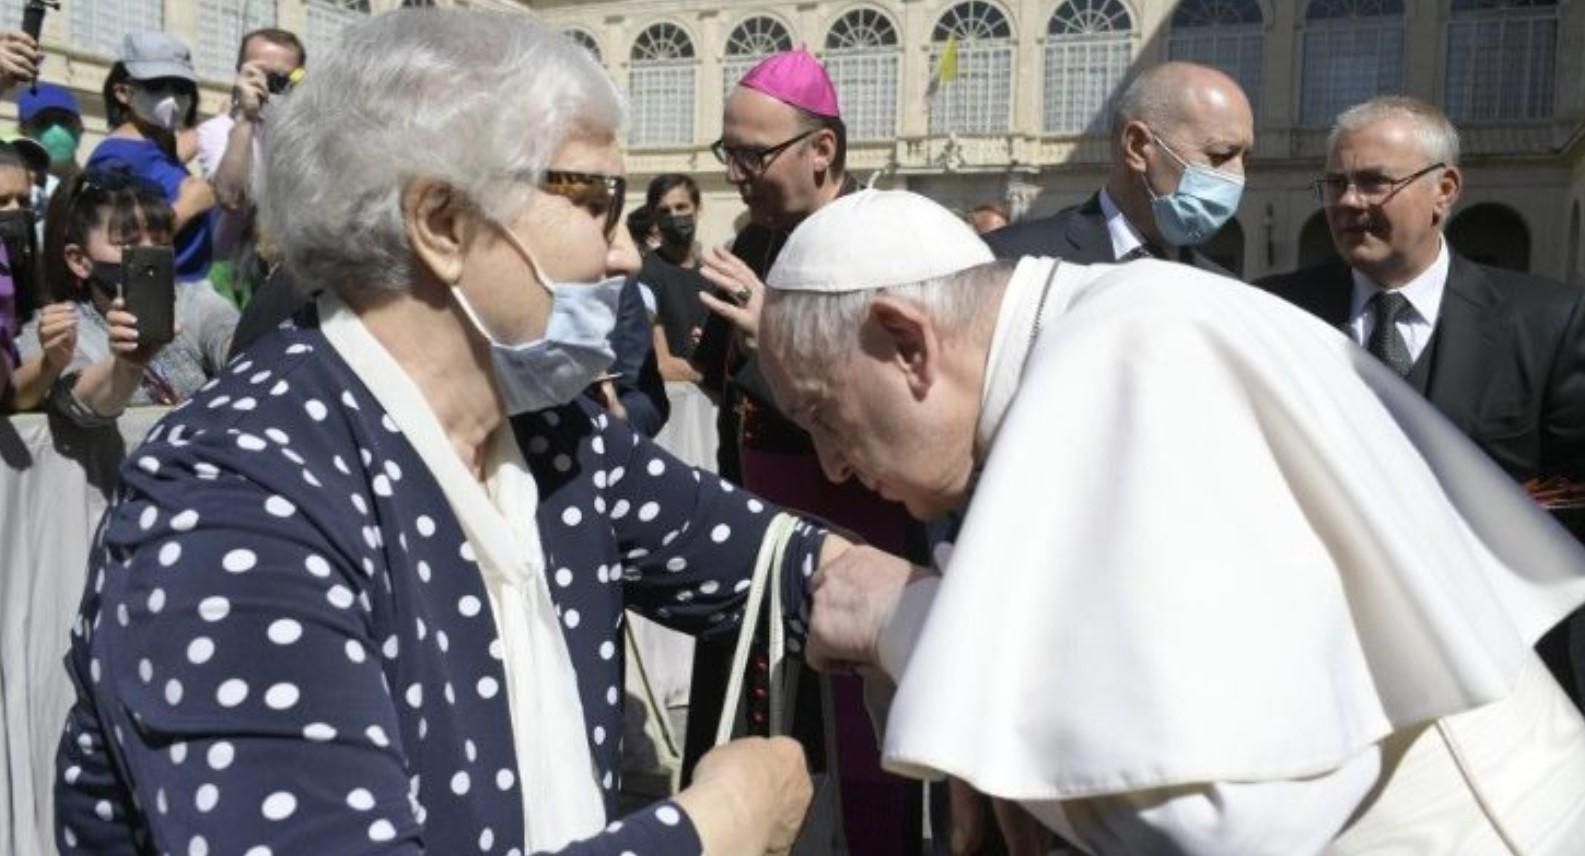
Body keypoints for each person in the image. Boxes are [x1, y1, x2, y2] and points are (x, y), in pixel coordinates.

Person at [52, 12, 868, 854]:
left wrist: (946, 623)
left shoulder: (554, 436)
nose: (626, 256)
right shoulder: (232, 496)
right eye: (598, 201)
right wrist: (712, 829)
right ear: (442, 223)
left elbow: (790, 565)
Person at [760, 189, 1585, 854]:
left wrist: (901, 620)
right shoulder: (1106, 328)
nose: (833, 465)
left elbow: (1213, 815)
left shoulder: (1127, 361)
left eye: (824, 414)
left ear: (905, 341)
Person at [686, 48, 924, 854]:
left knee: (850, 750)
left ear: (821, 150)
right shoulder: (752, 240)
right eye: (730, 153)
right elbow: (726, 386)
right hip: (755, 528)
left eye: (754, 154)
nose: (737, 173)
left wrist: (775, 336)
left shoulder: (882, 240)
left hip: (852, 523)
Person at [1257, 97, 1584, 486]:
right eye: (1335, 183)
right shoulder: (1273, 311)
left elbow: (1568, 502)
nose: (1347, 200)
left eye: (1374, 181)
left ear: (1444, 190)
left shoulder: (1549, 323)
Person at [11, 171, 236, 423]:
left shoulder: (193, 298)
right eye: (128, 242)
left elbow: (236, 343)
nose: (149, 251)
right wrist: (127, 366)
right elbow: (83, 403)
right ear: (79, 260)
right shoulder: (57, 328)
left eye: (161, 241)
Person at [983, 61, 1251, 272]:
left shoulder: (1224, 292)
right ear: (1137, 147)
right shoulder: (1014, 262)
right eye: (1219, 155)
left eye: (1244, 158)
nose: (1237, 176)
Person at [86, 32, 216, 283]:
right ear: (123, 93)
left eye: (181, 88)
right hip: (155, 292)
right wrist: (185, 209)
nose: (172, 98)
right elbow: (109, 242)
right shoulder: (114, 157)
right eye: (156, 86)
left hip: (185, 286)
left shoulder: (160, 146)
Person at [195, 27, 306, 307]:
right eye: (261, 74)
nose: (269, 85)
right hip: (234, 286)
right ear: (239, 74)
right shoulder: (218, 130)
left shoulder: (308, 136)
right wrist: (247, 116)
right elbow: (231, 197)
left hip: (297, 280)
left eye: (280, 78)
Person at [639, 174, 707, 383]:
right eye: (664, 211)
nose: (674, 216)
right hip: (676, 404)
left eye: (681, 207)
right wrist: (714, 377)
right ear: (654, 216)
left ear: (698, 209)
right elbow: (662, 364)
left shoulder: (710, 273)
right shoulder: (645, 276)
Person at [19, 82, 85, 184]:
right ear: (23, 131)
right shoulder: (10, 188)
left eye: (65, 119)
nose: (56, 131)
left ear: (81, 127)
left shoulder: (97, 188)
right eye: (42, 121)